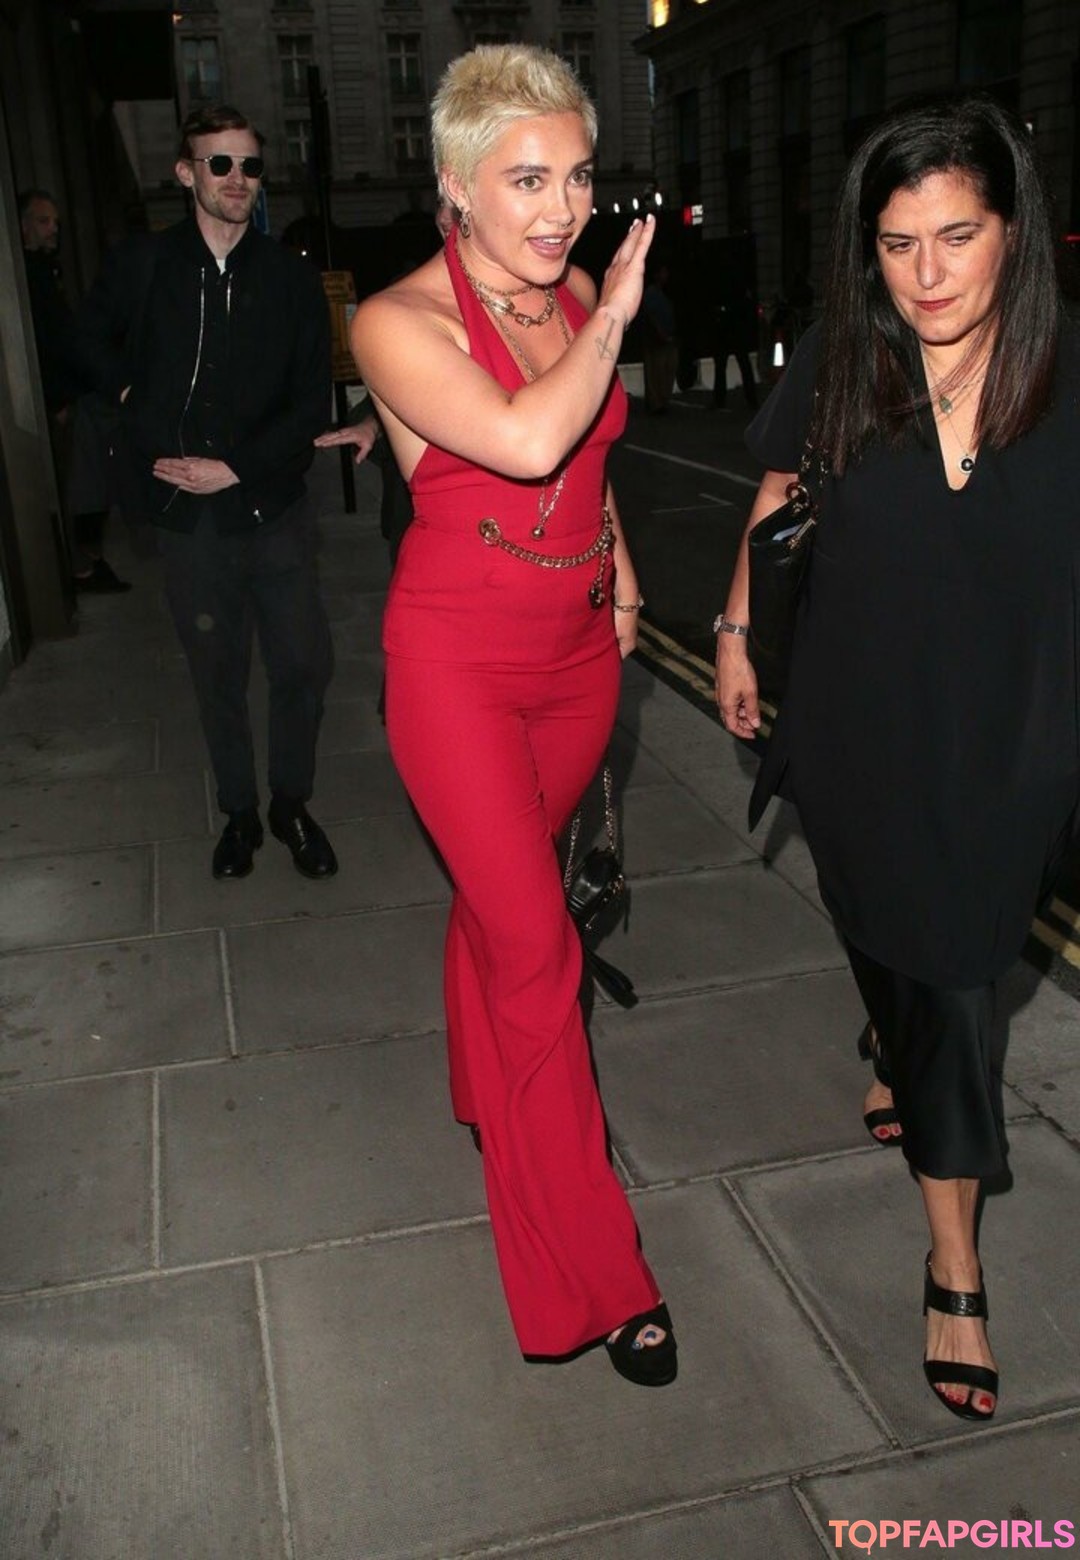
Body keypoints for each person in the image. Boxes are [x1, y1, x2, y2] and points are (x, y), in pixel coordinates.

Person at [716, 92, 1077, 1423]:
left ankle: (904, 1050)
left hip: (1016, 741)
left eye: (957, 237)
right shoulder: (841, 357)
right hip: (860, 724)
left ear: (1013, 231)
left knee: (959, 975)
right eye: (897, 242)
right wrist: (737, 634)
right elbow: (778, 497)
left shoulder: (1071, 371)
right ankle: (954, 1261)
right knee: (924, 972)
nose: (926, 274)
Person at [350, 44, 676, 1386]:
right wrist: (613, 322)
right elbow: (532, 437)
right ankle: (596, 1278)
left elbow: (586, 464)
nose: (564, 208)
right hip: (459, 673)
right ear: (456, 185)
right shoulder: (396, 322)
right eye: (528, 179)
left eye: (579, 177)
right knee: (540, 958)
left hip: (577, 655)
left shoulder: (574, 290)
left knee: (510, 902)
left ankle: (483, 1091)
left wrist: (623, 569)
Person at [75, 104, 337, 882]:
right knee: (216, 673)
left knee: (303, 665)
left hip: (273, 507)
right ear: (186, 172)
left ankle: (291, 803)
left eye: (250, 165)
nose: (237, 179)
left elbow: (309, 403)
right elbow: (82, 340)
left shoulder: (289, 278)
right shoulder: (144, 266)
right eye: (219, 163)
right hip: (189, 521)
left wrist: (239, 467)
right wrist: (131, 399)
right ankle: (240, 814)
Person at [19, 189, 131, 593]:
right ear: (23, 225)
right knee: (68, 484)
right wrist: (59, 399)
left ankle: (82, 559)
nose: (53, 229)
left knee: (80, 480)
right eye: (44, 221)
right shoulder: (28, 276)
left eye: (56, 222)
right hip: (56, 400)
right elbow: (44, 343)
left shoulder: (43, 271)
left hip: (67, 396)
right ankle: (78, 566)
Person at [640, 260, 678, 413]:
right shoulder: (651, 293)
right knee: (655, 372)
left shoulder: (665, 293)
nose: (666, 275)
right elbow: (651, 317)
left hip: (668, 337)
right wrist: (660, 332)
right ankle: (655, 403)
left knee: (667, 370)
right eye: (663, 272)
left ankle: (663, 401)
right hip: (655, 339)